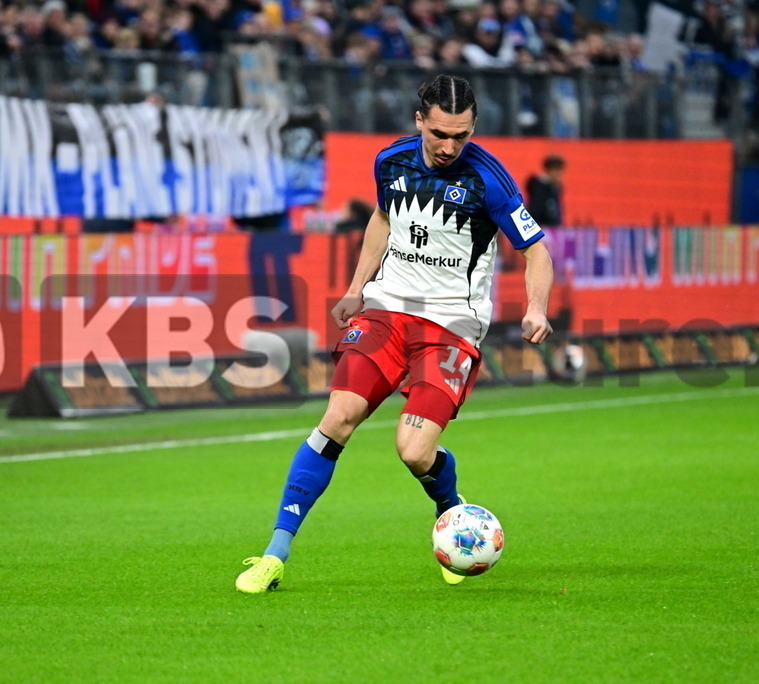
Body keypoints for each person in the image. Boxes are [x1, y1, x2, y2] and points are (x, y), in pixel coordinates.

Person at [236, 74, 554, 593]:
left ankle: (450, 508)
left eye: (461, 135)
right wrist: (356, 288)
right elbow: (383, 218)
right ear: (419, 121)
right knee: (337, 418)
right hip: (386, 310)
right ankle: (275, 553)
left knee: (413, 450)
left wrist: (536, 307)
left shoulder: (489, 179)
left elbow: (535, 250)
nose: (449, 146)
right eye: (439, 134)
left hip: (451, 325)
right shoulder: (391, 161)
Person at [525, 154, 566, 228]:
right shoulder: (537, 185)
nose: (559, 174)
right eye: (556, 170)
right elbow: (536, 209)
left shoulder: (556, 188)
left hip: (553, 228)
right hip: (539, 227)